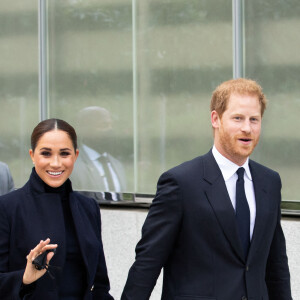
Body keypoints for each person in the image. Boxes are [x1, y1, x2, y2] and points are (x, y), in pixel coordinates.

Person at [121, 78, 292, 300]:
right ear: (216, 119)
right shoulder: (180, 182)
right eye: (237, 118)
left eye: (254, 119)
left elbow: (276, 264)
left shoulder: (270, 181)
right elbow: (148, 262)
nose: (247, 128)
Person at [0, 119, 114, 300]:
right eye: (46, 153)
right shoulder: (7, 208)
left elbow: (100, 284)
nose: (55, 163)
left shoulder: (88, 208)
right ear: (32, 155)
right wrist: (24, 278)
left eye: (64, 154)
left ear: (75, 156)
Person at [71, 106, 126, 201]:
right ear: (85, 130)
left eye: (111, 125)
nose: (110, 130)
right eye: (104, 125)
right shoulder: (72, 166)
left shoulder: (117, 165)